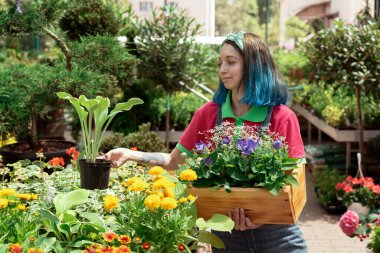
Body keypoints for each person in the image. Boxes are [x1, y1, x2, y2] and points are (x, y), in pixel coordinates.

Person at [100, 31, 308, 253]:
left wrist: (262, 214)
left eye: (231, 62)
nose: (222, 70)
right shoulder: (208, 114)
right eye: (220, 63)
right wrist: (133, 155)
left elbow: (294, 180)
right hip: (227, 238)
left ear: (253, 66)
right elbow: (173, 161)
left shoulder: (281, 117)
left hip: (278, 236)